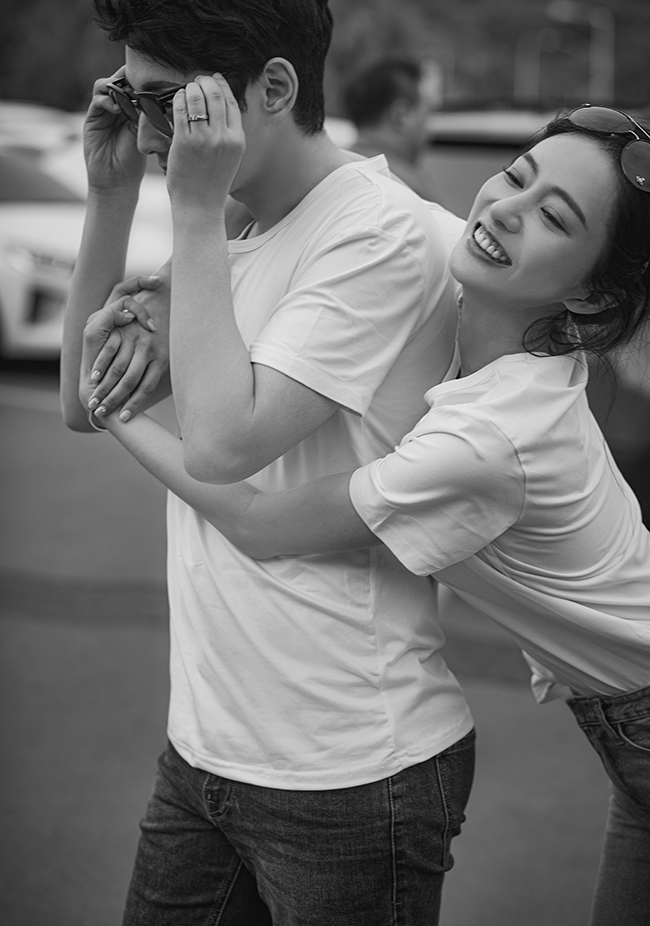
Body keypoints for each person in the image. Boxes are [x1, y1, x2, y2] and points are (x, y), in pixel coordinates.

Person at [79, 107, 650, 926]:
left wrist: (116, 409)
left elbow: (256, 520)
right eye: (517, 176)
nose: (507, 208)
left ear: (591, 291)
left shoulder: (495, 436)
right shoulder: (453, 272)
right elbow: (354, 200)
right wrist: (171, 209)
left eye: (554, 217)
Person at [60, 0, 476, 923]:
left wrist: (193, 209)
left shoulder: (378, 234)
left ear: (274, 87)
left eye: (167, 103)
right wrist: (112, 195)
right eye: (135, 100)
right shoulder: (237, 222)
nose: (151, 134)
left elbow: (220, 445)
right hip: (204, 746)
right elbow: (86, 397)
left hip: (348, 768)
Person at [343, 56, 440, 201]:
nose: (428, 129)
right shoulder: (408, 188)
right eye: (426, 114)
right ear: (402, 116)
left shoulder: (335, 172)